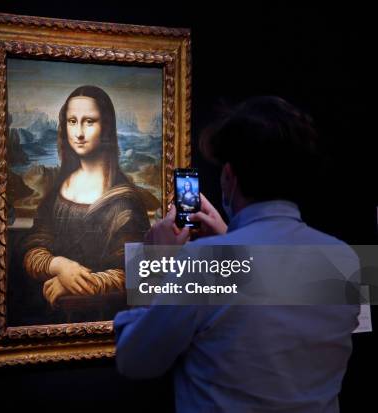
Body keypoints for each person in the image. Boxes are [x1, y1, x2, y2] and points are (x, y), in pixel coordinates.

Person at [115, 96, 360, 412]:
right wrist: (230, 239)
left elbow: (135, 361)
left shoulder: (204, 262)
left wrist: (155, 264)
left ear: (228, 177)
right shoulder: (346, 260)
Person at [22, 85, 150, 308]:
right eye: (72, 121)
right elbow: (32, 249)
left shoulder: (125, 201)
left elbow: (134, 274)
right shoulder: (59, 189)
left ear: (106, 127)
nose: (79, 132)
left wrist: (72, 284)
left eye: (89, 122)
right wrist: (59, 266)